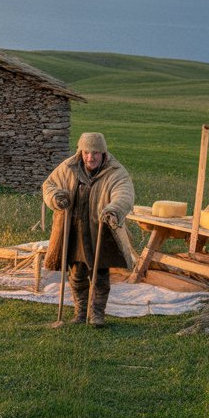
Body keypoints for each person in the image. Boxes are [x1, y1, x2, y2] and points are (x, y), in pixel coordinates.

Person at [42, 132, 134, 327]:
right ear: (80, 151)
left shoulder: (115, 171)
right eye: (86, 152)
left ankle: (97, 314)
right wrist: (57, 197)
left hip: (100, 231)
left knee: (100, 275)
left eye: (95, 153)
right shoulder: (68, 167)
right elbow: (49, 185)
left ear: (103, 154)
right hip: (73, 230)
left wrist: (113, 209)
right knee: (76, 274)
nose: (90, 157)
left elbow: (124, 194)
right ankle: (80, 313)